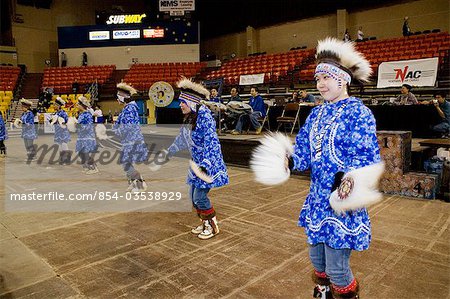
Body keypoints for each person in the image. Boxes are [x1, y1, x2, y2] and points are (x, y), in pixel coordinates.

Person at [251, 37, 384, 298]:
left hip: (342, 200)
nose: (321, 84)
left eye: (327, 78)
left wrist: (347, 180)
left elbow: (366, 155)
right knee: (318, 262)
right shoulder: (316, 114)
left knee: (336, 268)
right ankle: (323, 293)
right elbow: (304, 152)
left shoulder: (359, 113)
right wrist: (288, 161)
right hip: (317, 200)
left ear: (343, 79)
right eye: (318, 80)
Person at [166, 78, 229, 239]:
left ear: (192, 103)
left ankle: (213, 226)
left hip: (207, 165)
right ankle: (205, 223)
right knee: (193, 199)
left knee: (199, 197)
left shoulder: (205, 117)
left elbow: (212, 142)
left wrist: (206, 165)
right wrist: (169, 151)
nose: (180, 105)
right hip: (196, 165)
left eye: (182, 102)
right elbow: (181, 138)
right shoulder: (189, 118)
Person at [114, 83, 149, 192]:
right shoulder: (127, 108)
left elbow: (127, 127)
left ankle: (139, 183)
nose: (117, 100)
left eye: (118, 97)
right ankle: (133, 182)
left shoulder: (129, 108)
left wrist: (116, 131)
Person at [75, 96, 98, 174]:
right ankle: (86, 167)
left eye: (78, 104)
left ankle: (93, 168)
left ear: (82, 105)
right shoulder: (81, 114)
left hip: (87, 136)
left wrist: (78, 126)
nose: (77, 106)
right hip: (81, 136)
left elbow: (88, 127)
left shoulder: (87, 114)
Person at [52, 97, 71, 164]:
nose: (54, 106)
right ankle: (63, 158)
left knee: (64, 144)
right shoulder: (55, 113)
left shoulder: (63, 113)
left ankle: (67, 159)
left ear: (59, 106)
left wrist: (61, 121)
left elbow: (66, 121)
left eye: (55, 105)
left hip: (63, 131)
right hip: (58, 131)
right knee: (60, 144)